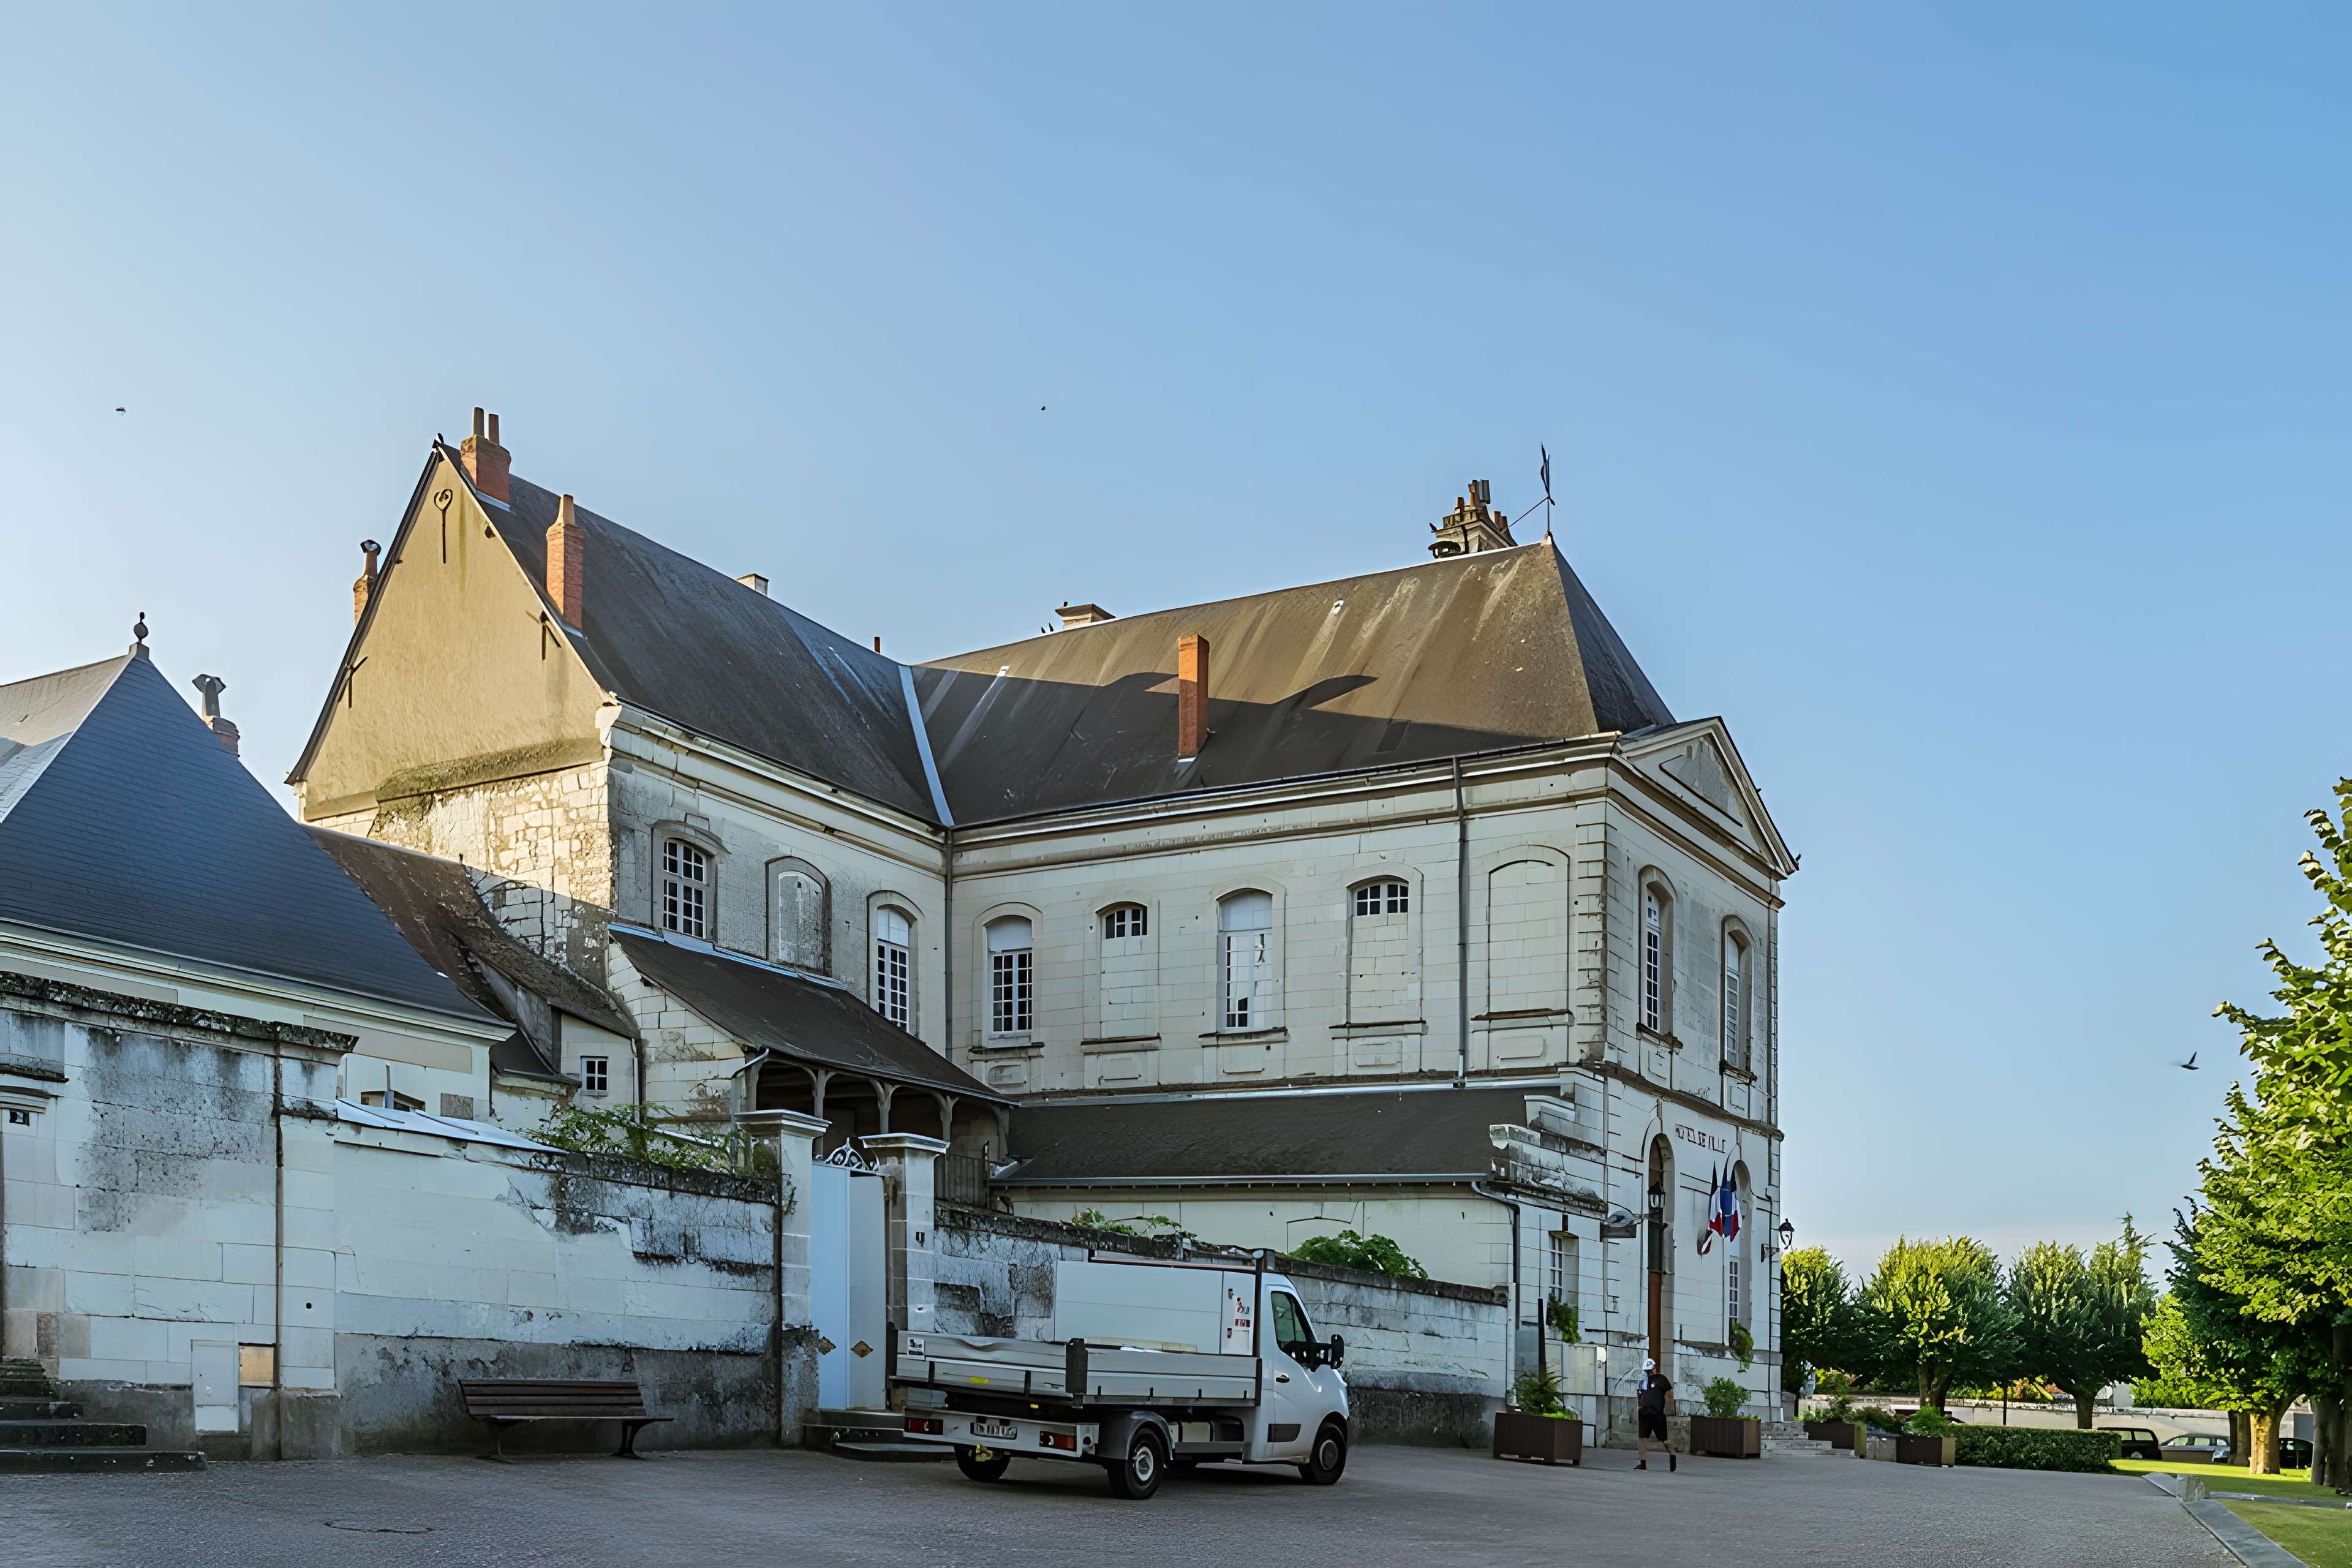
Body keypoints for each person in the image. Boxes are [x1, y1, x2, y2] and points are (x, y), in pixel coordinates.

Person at [1635, 1357, 1675, 1471]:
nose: (1648, 1373)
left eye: (1650, 1370)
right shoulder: (1642, 1381)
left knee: (1664, 1439)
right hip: (1644, 1414)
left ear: (1654, 1369)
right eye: (1646, 1371)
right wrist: (1639, 1406)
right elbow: (1639, 1396)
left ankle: (1672, 1454)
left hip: (1658, 1415)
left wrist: (1669, 1407)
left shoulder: (1661, 1378)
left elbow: (1669, 1392)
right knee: (1642, 1438)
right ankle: (1642, 1463)